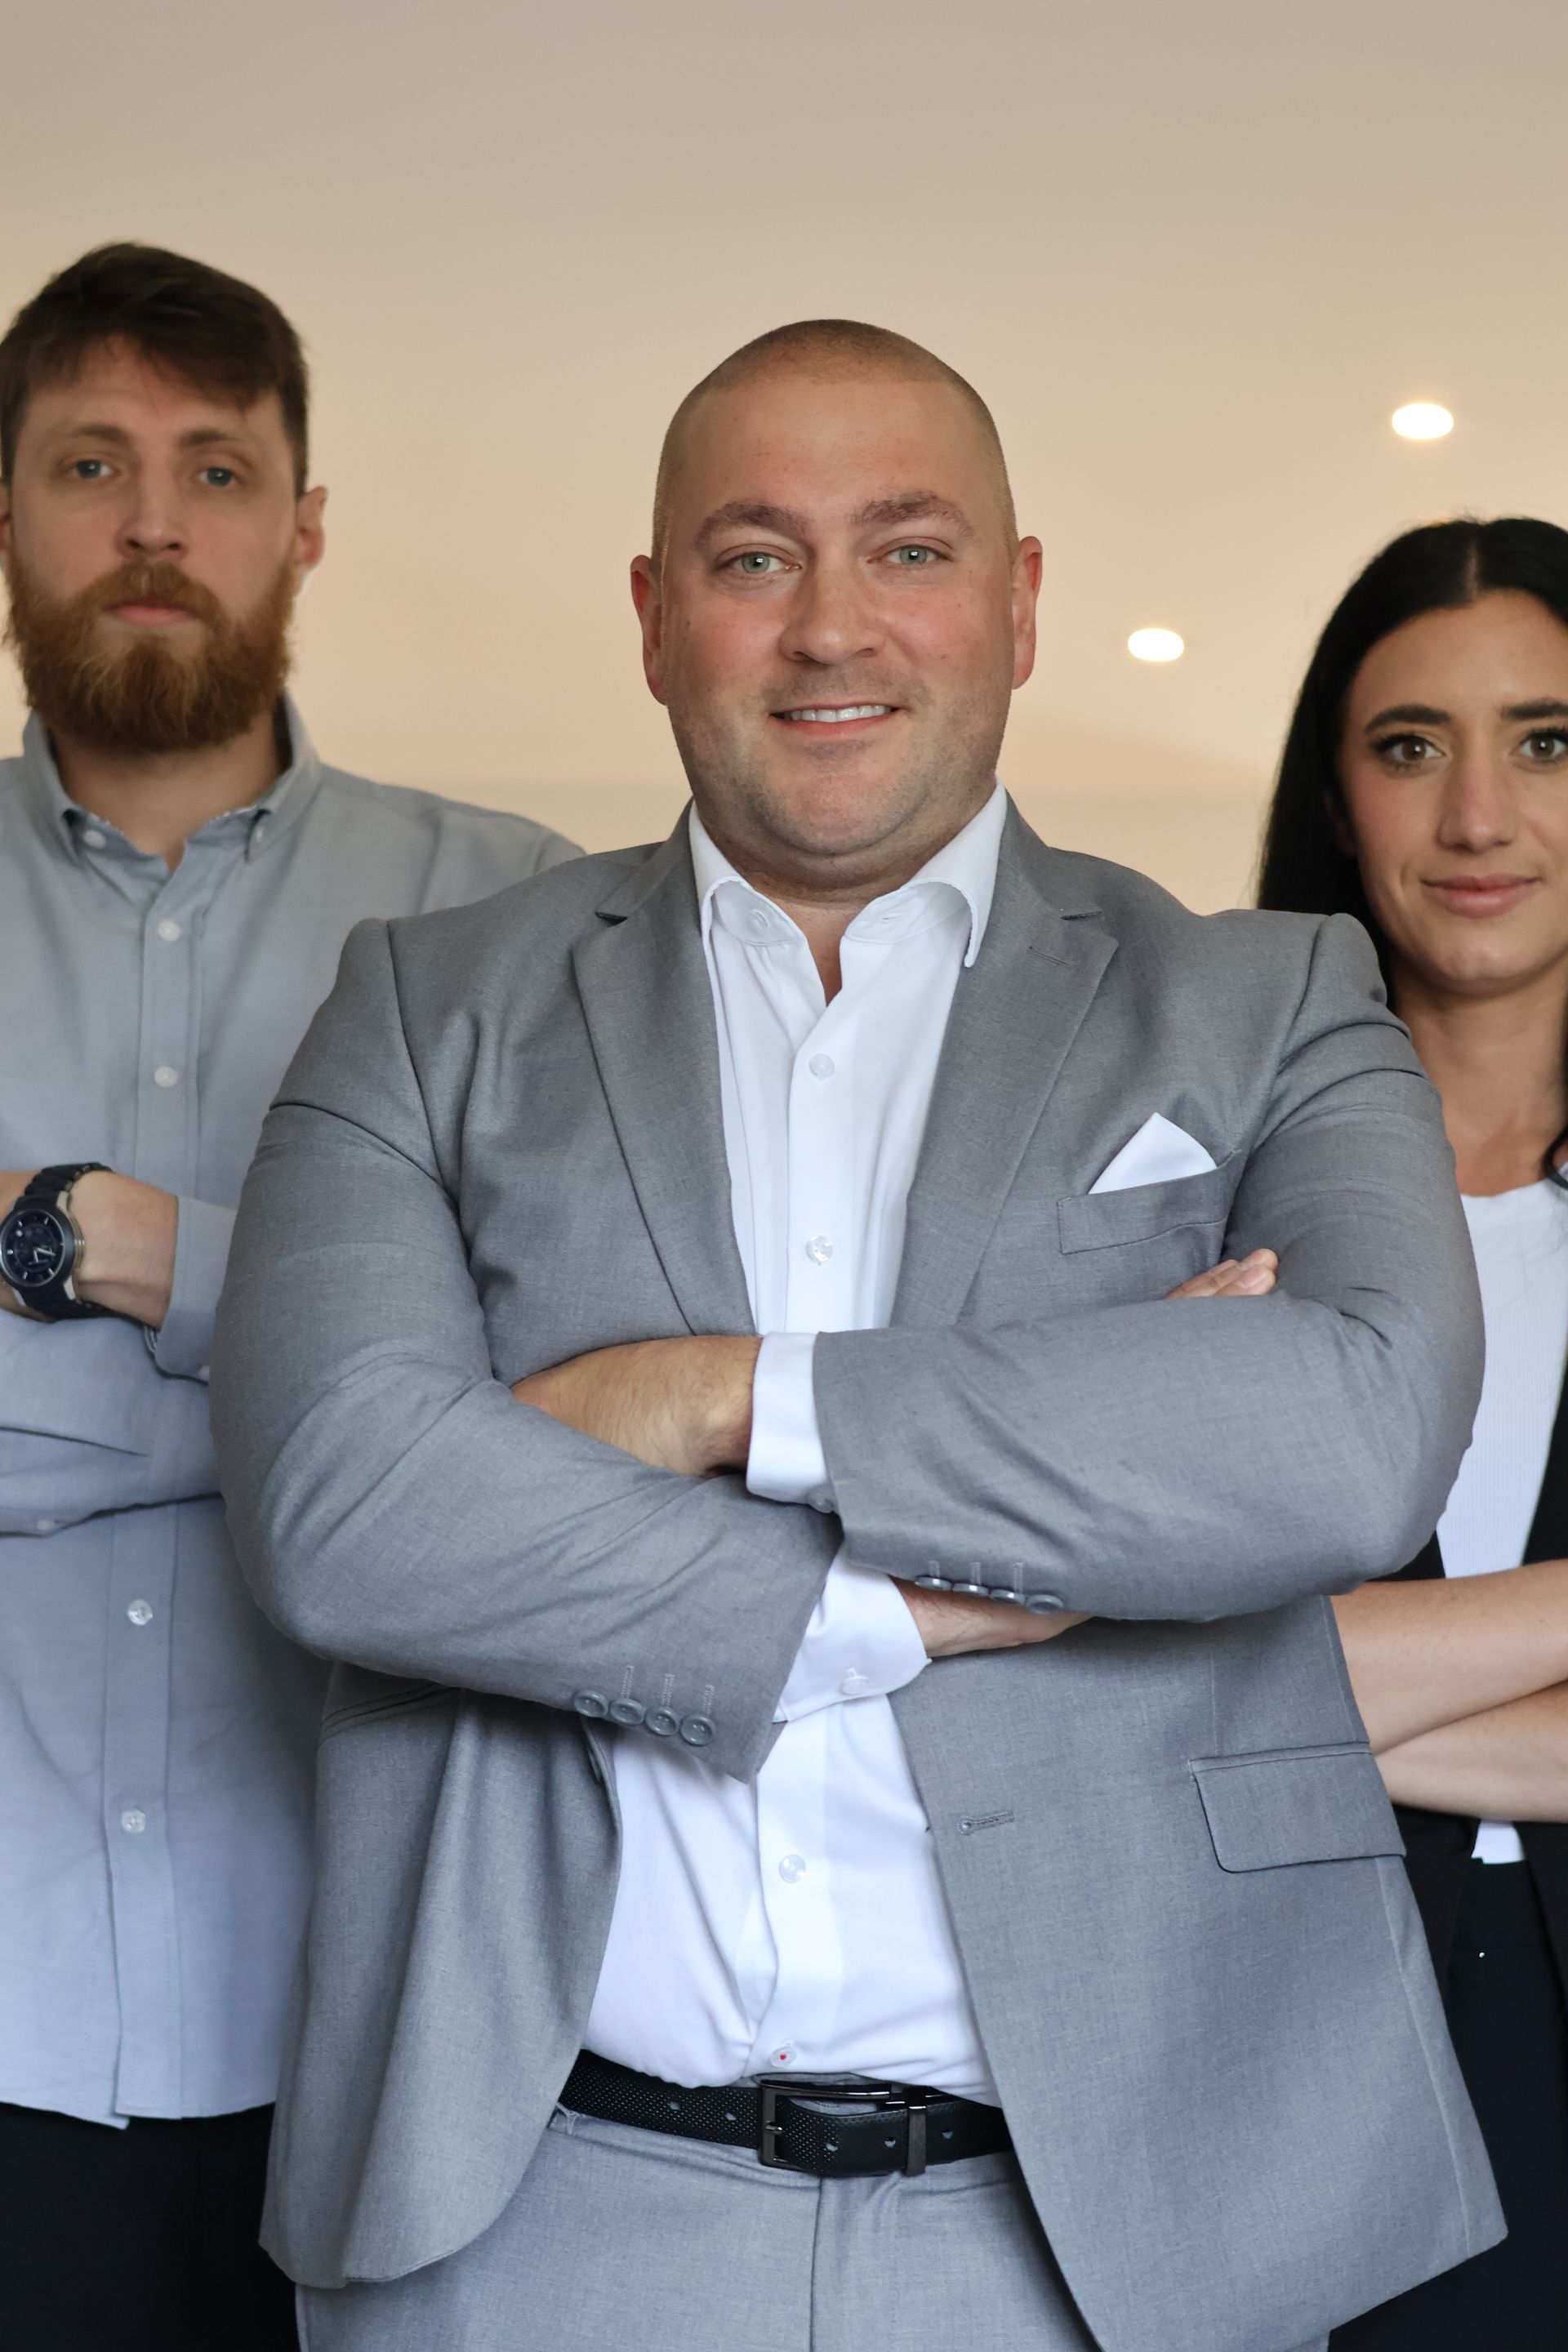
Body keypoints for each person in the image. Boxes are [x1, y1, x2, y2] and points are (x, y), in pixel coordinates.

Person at [213, 319, 1499, 2352]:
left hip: (1119, 2236)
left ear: (1020, 601)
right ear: (655, 619)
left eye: (908, 549)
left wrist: (726, 1398)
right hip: (531, 2215)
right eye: (754, 558)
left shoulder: (1272, 999)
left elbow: (1352, 1430)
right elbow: (341, 1511)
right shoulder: (421, 1006)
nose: (831, 627)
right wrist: (919, 1598)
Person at [0, 242, 577, 2351]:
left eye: (217, 471)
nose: (154, 524)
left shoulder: (519, 915)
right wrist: (342, 1392)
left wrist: (100, 1242)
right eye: (91, 463)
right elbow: (440, 1412)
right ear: (5, 513)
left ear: (306, 526)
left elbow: (573, 1398)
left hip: (404, 2024)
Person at [1258, 515, 1568, 2349]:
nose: (1477, 816)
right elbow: (1079, 1676)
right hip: (1277, 2046)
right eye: (1409, 744)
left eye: (1548, 741)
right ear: (1336, 791)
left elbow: (1175, 1701)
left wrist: (1253, 1717)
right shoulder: (1192, 1194)